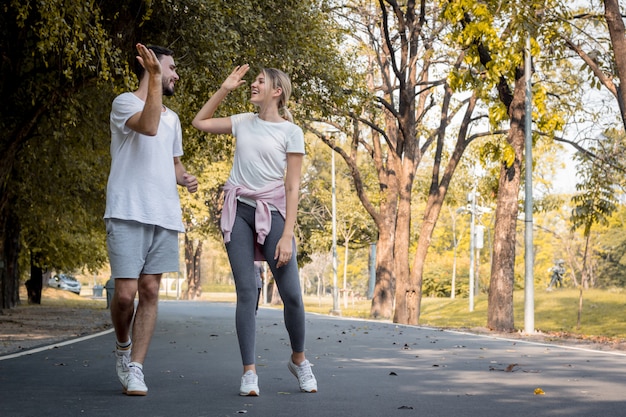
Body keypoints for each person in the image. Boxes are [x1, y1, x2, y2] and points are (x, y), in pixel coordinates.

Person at [192, 64, 317, 396]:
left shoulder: (292, 132)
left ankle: (299, 360)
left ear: (277, 91)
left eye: (260, 81)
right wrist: (225, 88)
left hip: (273, 212)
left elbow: (292, 187)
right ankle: (249, 372)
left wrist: (288, 234)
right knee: (247, 290)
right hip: (239, 211)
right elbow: (199, 122)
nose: (253, 84)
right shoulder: (242, 122)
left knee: (291, 293)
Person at [104, 43, 198, 396]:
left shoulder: (174, 119)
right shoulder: (124, 103)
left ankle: (137, 368)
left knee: (150, 290)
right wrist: (157, 79)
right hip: (127, 209)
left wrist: (185, 177)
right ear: (150, 67)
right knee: (126, 295)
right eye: (170, 68)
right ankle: (123, 346)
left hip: (164, 214)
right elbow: (149, 125)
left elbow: (173, 163)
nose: (175, 75)